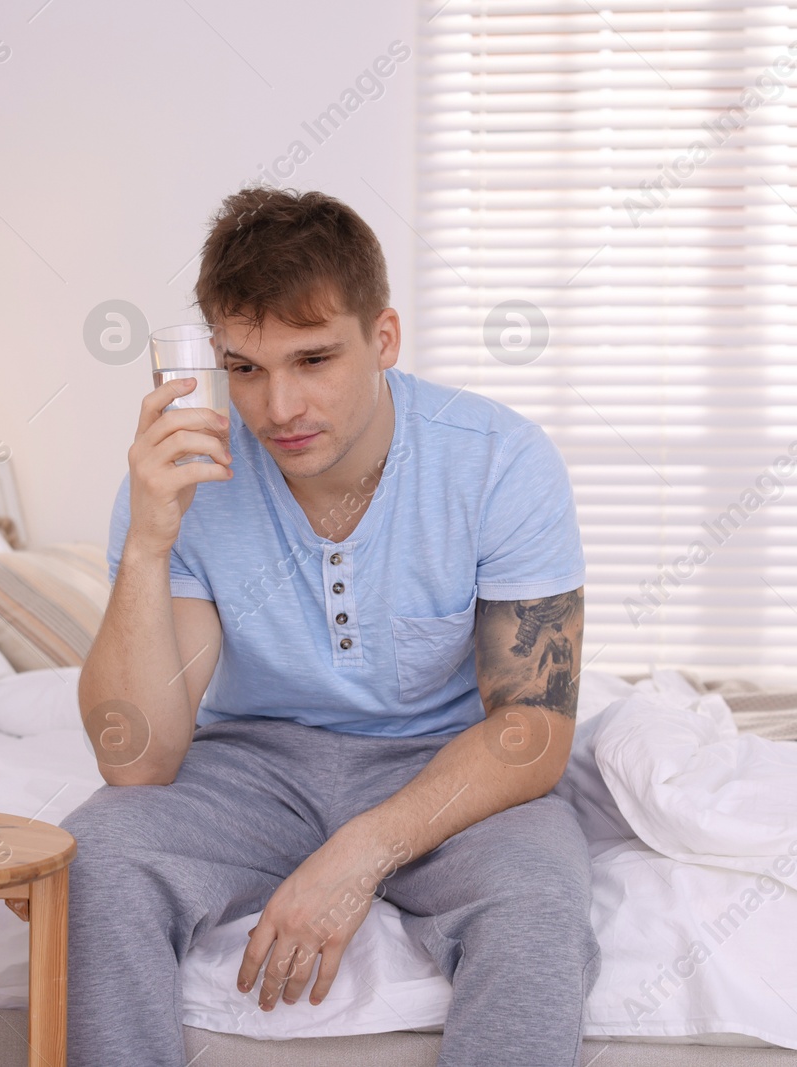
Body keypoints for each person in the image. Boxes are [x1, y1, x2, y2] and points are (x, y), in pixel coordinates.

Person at [64, 186, 599, 1067]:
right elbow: (139, 759)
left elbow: (533, 731)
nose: (279, 409)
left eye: (314, 360)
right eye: (244, 368)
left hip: (449, 764)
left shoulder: (500, 459)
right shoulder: (183, 477)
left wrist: (359, 855)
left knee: (536, 898)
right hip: (255, 765)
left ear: (383, 339)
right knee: (95, 858)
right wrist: (149, 545)